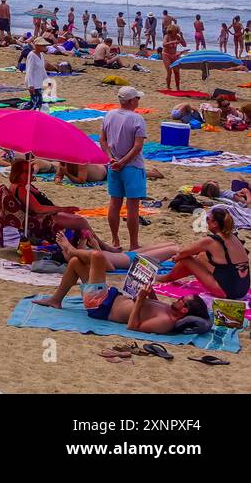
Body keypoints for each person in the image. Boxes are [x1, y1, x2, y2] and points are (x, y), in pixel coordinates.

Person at [34, 245, 210, 338]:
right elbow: (151, 305)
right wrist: (148, 292)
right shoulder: (170, 310)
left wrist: (140, 300)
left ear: (185, 310)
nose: (179, 299)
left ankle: (72, 248)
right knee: (75, 263)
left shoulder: (166, 321)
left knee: (97, 257)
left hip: (100, 306)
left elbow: (133, 327)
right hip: (109, 297)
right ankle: (56, 300)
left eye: (182, 300)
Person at [156, 206, 249, 300]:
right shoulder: (234, 237)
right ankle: (176, 274)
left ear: (215, 223)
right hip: (242, 289)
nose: (206, 221)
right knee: (202, 256)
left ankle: (165, 278)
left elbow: (183, 252)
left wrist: (177, 257)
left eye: (208, 219)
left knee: (186, 259)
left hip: (227, 292)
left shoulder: (211, 241)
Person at [100, 86, 148, 251]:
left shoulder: (110, 115)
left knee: (115, 203)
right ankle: (133, 243)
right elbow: (137, 147)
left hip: (114, 165)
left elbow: (103, 140)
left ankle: (115, 240)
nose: (138, 101)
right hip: (131, 166)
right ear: (131, 101)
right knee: (132, 207)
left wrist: (110, 158)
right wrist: (123, 161)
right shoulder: (137, 119)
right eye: (137, 98)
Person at [23, 37, 48, 109]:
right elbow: (29, 71)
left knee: (33, 102)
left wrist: (47, 80)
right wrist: (31, 85)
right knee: (37, 102)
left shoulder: (41, 55)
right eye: (43, 45)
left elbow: (42, 69)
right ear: (37, 46)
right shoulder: (31, 55)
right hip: (33, 83)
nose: (44, 47)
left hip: (38, 82)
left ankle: (23, 112)